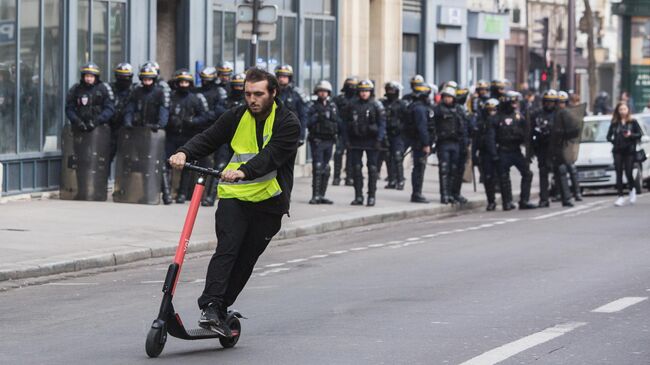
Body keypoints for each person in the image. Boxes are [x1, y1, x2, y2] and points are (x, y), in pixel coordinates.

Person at [168, 67, 300, 337]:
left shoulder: (287, 122)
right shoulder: (236, 116)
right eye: (248, 94)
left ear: (273, 93)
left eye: (258, 94)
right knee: (227, 248)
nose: (252, 100)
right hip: (235, 197)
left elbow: (272, 156)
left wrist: (244, 171)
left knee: (246, 258)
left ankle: (222, 307)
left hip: (269, 202)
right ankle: (210, 306)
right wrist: (184, 152)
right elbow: (210, 137)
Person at [124, 64, 171, 203]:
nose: (147, 82)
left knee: (160, 163)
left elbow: (164, 110)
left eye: (149, 79)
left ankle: (166, 194)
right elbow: (130, 108)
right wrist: (128, 121)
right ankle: (146, 193)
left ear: (154, 79)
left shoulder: (159, 92)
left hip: (155, 133)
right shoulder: (136, 91)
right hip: (139, 132)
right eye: (144, 79)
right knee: (143, 164)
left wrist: (160, 125)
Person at [166, 69, 210, 203]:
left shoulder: (196, 98)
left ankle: (182, 194)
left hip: (188, 136)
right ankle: (168, 193)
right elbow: (163, 111)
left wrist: (192, 121)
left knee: (187, 167)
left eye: (186, 82)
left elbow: (205, 116)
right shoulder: (171, 97)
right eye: (181, 82)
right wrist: (170, 120)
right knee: (168, 164)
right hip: (172, 135)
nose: (184, 84)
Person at [343, 79, 386, 206]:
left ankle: (371, 196)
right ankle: (358, 196)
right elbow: (345, 124)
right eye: (362, 91)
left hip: (372, 141)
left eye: (366, 91)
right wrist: (346, 140)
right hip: (356, 141)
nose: (364, 93)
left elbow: (382, 124)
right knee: (356, 169)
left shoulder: (376, 105)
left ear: (370, 92)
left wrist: (379, 139)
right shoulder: (351, 105)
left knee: (372, 169)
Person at [490, 91, 536, 210]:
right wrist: (494, 154)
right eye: (513, 102)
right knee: (504, 177)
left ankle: (524, 200)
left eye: (516, 102)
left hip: (516, 150)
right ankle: (507, 202)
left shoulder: (519, 117)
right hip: (503, 151)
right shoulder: (497, 118)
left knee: (527, 173)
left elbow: (527, 135)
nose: (515, 104)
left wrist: (529, 152)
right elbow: (491, 137)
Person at [196, 66, 228, 207]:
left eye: (208, 79)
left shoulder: (220, 92)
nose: (205, 82)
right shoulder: (198, 91)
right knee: (203, 165)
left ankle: (211, 196)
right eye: (203, 79)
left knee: (219, 165)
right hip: (203, 131)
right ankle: (201, 195)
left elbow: (219, 111)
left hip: (219, 131)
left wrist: (205, 117)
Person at [307, 80, 340, 204]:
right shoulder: (312, 106)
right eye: (320, 91)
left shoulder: (332, 106)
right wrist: (316, 117)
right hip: (317, 140)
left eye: (325, 91)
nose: (323, 93)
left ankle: (322, 195)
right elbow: (307, 122)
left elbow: (337, 122)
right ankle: (315, 195)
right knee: (318, 166)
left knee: (326, 167)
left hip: (329, 140)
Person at [402, 82, 434, 203]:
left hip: (415, 141)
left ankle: (417, 193)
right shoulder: (420, 109)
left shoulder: (413, 106)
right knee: (419, 168)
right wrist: (426, 144)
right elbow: (422, 128)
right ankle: (416, 193)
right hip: (420, 143)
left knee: (418, 167)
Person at [607, 102, 643, 206]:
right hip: (617, 150)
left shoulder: (633, 122)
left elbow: (639, 135)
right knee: (618, 173)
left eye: (624, 109)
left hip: (629, 151)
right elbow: (608, 136)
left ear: (628, 110)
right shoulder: (614, 123)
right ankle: (620, 196)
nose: (622, 111)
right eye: (620, 109)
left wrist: (630, 135)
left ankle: (632, 191)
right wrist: (614, 141)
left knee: (628, 172)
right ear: (617, 111)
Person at [434, 86, 464, 204]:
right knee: (444, 169)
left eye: (450, 97)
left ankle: (452, 193)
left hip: (455, 143)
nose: (448, 99)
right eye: (446, 97)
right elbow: (432, 126)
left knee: (454, 169)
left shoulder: (458, 110)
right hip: (443, 143)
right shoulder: (438, 110)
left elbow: (462, 126)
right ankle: (444, 195)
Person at [65, 62, 115, 134]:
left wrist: (97, 121)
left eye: (91, 76)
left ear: (96, 77)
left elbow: (109, 109)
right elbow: (69, 109)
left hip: (100, 129)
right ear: (83, 76)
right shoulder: (76, 89)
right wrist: (77, 121)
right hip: (79, 129)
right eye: (87, 76)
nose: (89, 79)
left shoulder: (103, 89)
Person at [530, 90, 558, 207]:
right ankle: (544, 198)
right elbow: (530, 130)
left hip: (556, 147)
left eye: (551, 102)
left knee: (559, 171)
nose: (549, 104)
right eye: (547, 101)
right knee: (543, 173)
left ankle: (563, 196)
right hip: (542, 147)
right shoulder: (537, 114)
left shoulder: (559, 114)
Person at [556, 91, 583, 202]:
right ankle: (559, 193)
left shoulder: (569, 114)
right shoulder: (555, 114)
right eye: (558, 102)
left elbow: (576, 129)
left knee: (571, 169)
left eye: (562, 102)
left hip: (567, 144)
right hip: (557, 145)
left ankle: (577, 192)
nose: (560, 104)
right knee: (559, 170)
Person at [380, 81, 407, 190]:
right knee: (388, 157)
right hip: (386, 133)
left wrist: (402, 128)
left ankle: (400, 180)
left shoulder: (402, 104)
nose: (390, 92)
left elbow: (407, 119)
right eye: (388, 90)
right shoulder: (383, 104)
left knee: (397, 156)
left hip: (398, 135)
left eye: (392, 90)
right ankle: (391, 180)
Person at [332, 77, 358, 186]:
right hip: (341, 129)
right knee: (338, 153)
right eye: (349, 85)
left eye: (353, 86)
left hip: (352, 131)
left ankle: (349, 177)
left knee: (351, 154)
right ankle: (337, 177)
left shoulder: (357, 100)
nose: (351, 88)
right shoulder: (339, 99)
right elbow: (334, 113)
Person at [475, 98, 500, 210]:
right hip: (486, 153)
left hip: (500, 151)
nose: (492, 113)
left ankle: (507, 200)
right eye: (489, 110)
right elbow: (476, 139)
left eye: (494, 110)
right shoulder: (481, 123)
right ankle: (491, 201)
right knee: (488, 178)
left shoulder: (500, 121)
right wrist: (473, 155)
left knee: (502, 177)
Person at [275, 65, 308, 145]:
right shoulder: (272, 93)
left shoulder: (297, 94)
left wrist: (302, 136)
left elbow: (303, 116)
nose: (281, 79)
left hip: (292, 132)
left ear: (289, 78)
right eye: (279, 76)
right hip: (275, 132)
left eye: (284, 76)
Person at [109, 63, 135, 166]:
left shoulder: (134, 90)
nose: (123, 80)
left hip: (128, 129)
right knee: (106, 157)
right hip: (111, 128)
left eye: (126, 77)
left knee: (127, 160)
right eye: (121, 77)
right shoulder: (110, 89)